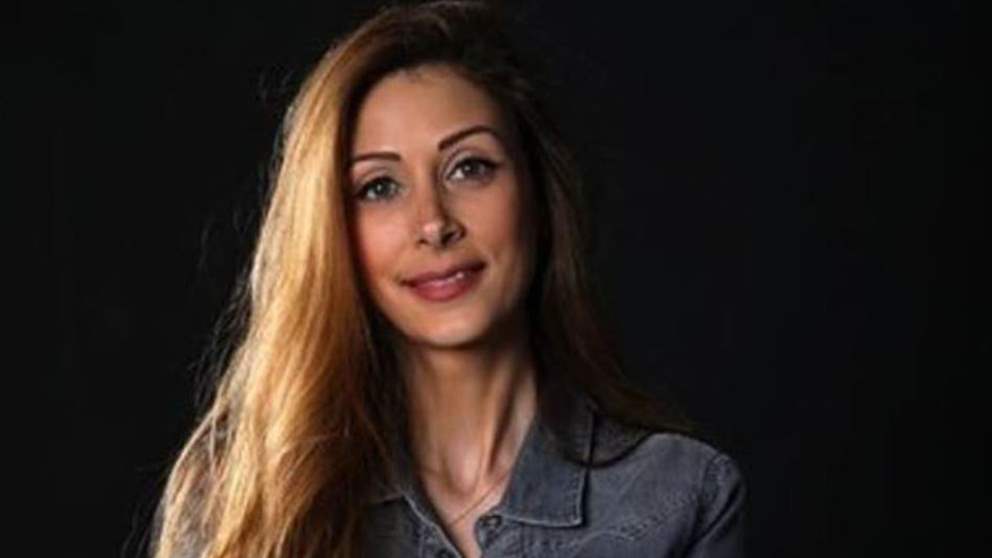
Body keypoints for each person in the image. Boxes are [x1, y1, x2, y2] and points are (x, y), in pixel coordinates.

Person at [150, 1, 746, 557]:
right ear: (330, 231)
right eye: (379, 187)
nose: (433, 223)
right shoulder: (240, 500)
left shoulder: (680, 493)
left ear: (538, 194)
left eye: (469, 167)